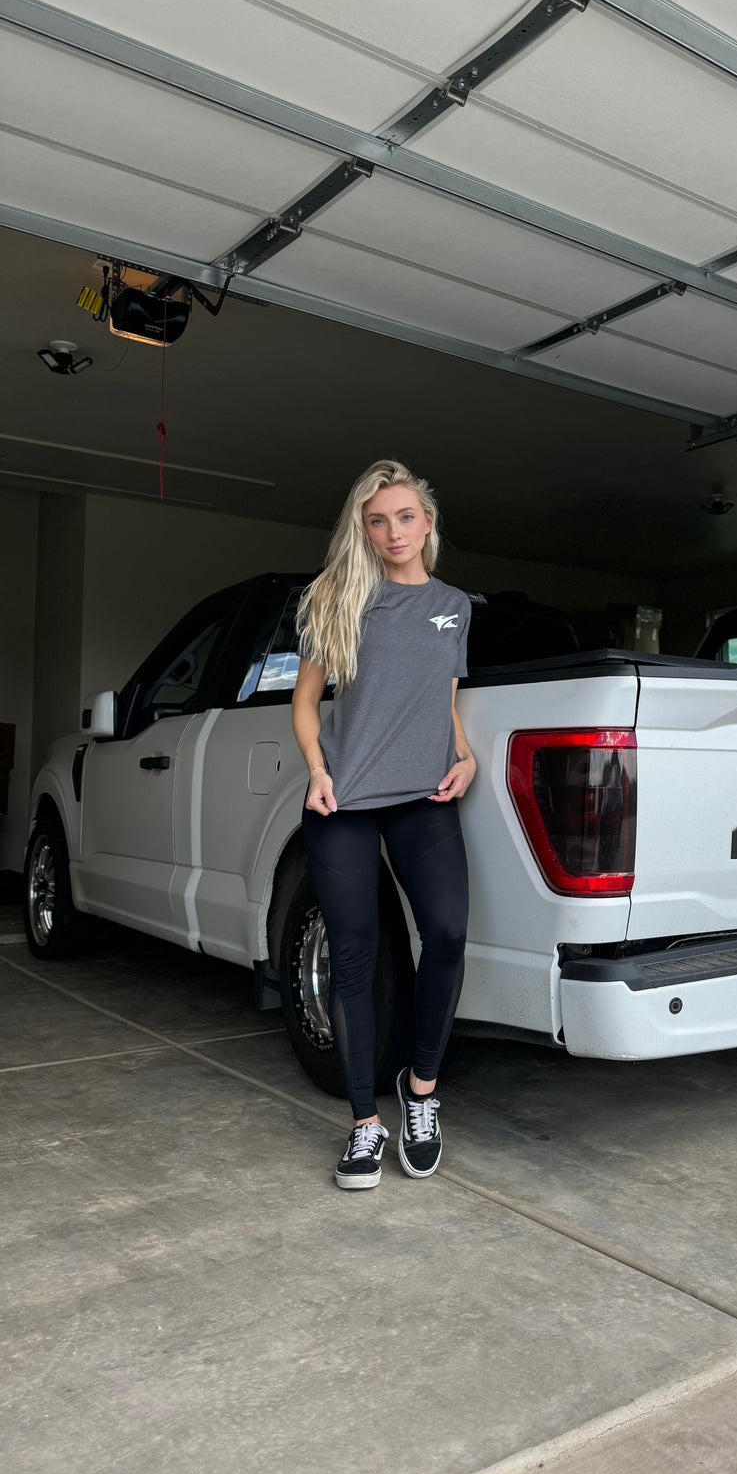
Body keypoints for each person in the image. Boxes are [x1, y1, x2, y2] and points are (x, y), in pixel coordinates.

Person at [291, 459, 475, 1190]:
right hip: (347, 799)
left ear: (427, 522)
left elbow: (444, 697)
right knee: (356, 956)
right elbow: (306, 702)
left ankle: (421, 1093)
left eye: (405, 516)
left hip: (424, 796)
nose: (393, 531)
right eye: (377, 520)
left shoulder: (455, 606)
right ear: (362, 530)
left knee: (450, 932)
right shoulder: (335, 598)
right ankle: (365, 1124)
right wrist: (317, 769)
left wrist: (464, 754)